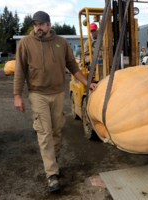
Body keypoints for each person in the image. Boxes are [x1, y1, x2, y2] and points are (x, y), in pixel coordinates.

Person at [13, 11, 97, 192]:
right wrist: (17, 95)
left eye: (41, 25)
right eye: (35, 25)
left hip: (58, 93)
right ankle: (51, 174)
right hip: (38, 94)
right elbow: (19, 70)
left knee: (57, 130)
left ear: (49, 25)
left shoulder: (61, 42)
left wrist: (87, 83)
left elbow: (72, 66)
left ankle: (53, 160)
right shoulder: (26, 44)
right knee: (44, 133)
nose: (38, 28)